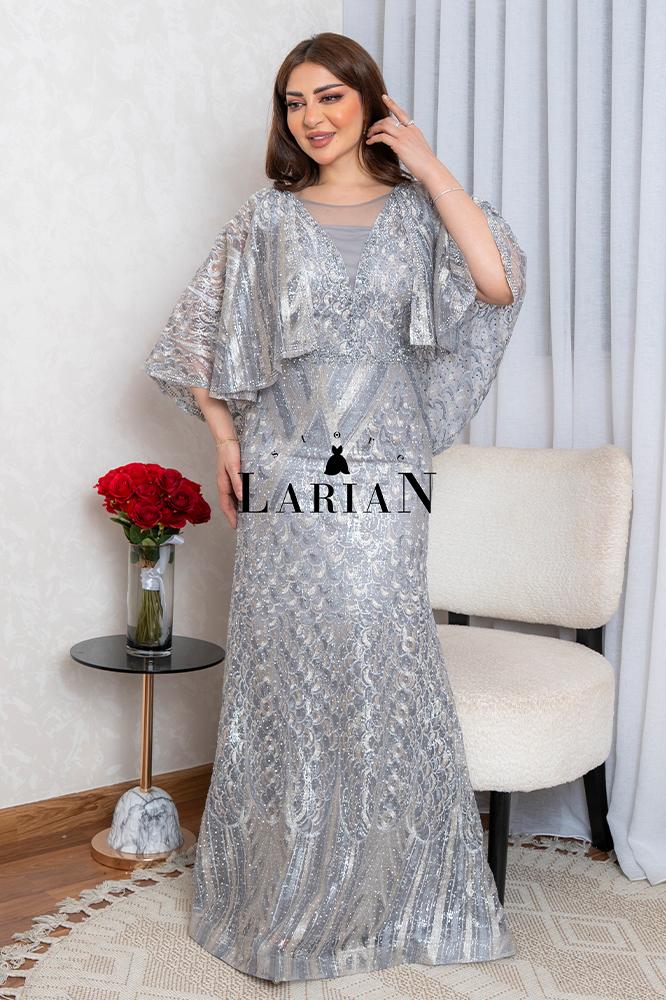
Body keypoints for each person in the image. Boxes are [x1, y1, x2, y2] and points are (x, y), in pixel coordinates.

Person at [144, 30, 527, 984]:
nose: (310, 118)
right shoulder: (265, 221)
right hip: (286, 474)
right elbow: (193, 338)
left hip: (386, 476)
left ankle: (398, 894)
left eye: (330, 97)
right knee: (286, 669)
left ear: (370, 103)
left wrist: (427, 164)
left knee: (381, 657)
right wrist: (226, 441)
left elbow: (495, 281)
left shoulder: (418, 212)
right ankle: (278, 898)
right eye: (294, 102)